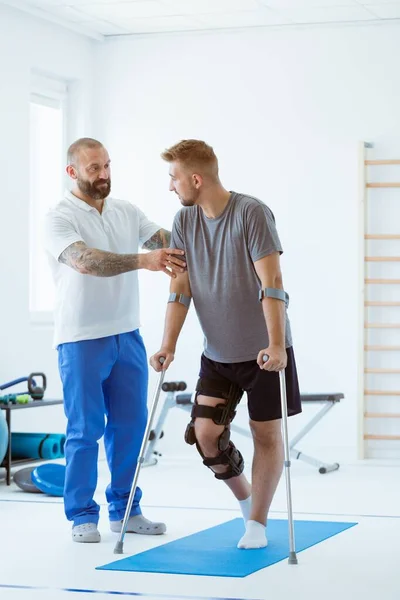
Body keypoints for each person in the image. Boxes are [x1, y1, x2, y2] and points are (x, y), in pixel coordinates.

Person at [150, 139, 301, 550]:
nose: (170, 186)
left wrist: (276, 345)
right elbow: (180, 289)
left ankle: (258, 523)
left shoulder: (251, 213)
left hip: (263, 351)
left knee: (265, 435)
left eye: (174, 178)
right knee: (205, 434)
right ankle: (249, 500)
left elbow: (272, 283)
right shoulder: (184, 221)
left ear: (195, 179)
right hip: (217, 353)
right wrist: (169, 344)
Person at [43, 137, 186, 543]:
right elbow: (85, 261)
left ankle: (126, 508)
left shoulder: (125, 211)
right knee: (85, 429)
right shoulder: (59, 218)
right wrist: (144, 261)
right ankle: (82, 515)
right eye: (94, 169)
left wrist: (211, 226)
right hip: (81, 337)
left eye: (107, 166)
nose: (104, 174)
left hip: (127, 334)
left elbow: (168, 244)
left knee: (131, 426)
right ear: (73, 172)